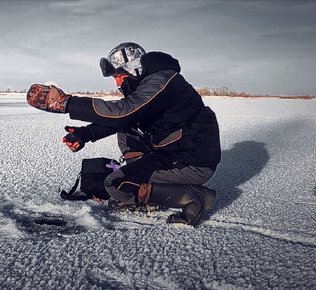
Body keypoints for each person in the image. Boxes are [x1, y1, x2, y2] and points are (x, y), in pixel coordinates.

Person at [27, 42, 221, 226]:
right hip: (176, 152)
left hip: (192, 164)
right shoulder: (153, 83)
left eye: (119, 75)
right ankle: (142, 187)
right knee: (126, 131)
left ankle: (192, 197)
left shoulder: (161, 81)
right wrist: (85, 134)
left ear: (134, 68)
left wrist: (68, 103)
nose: (117, 82)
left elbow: (124, 113)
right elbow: (124, 120)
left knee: (116, 183)